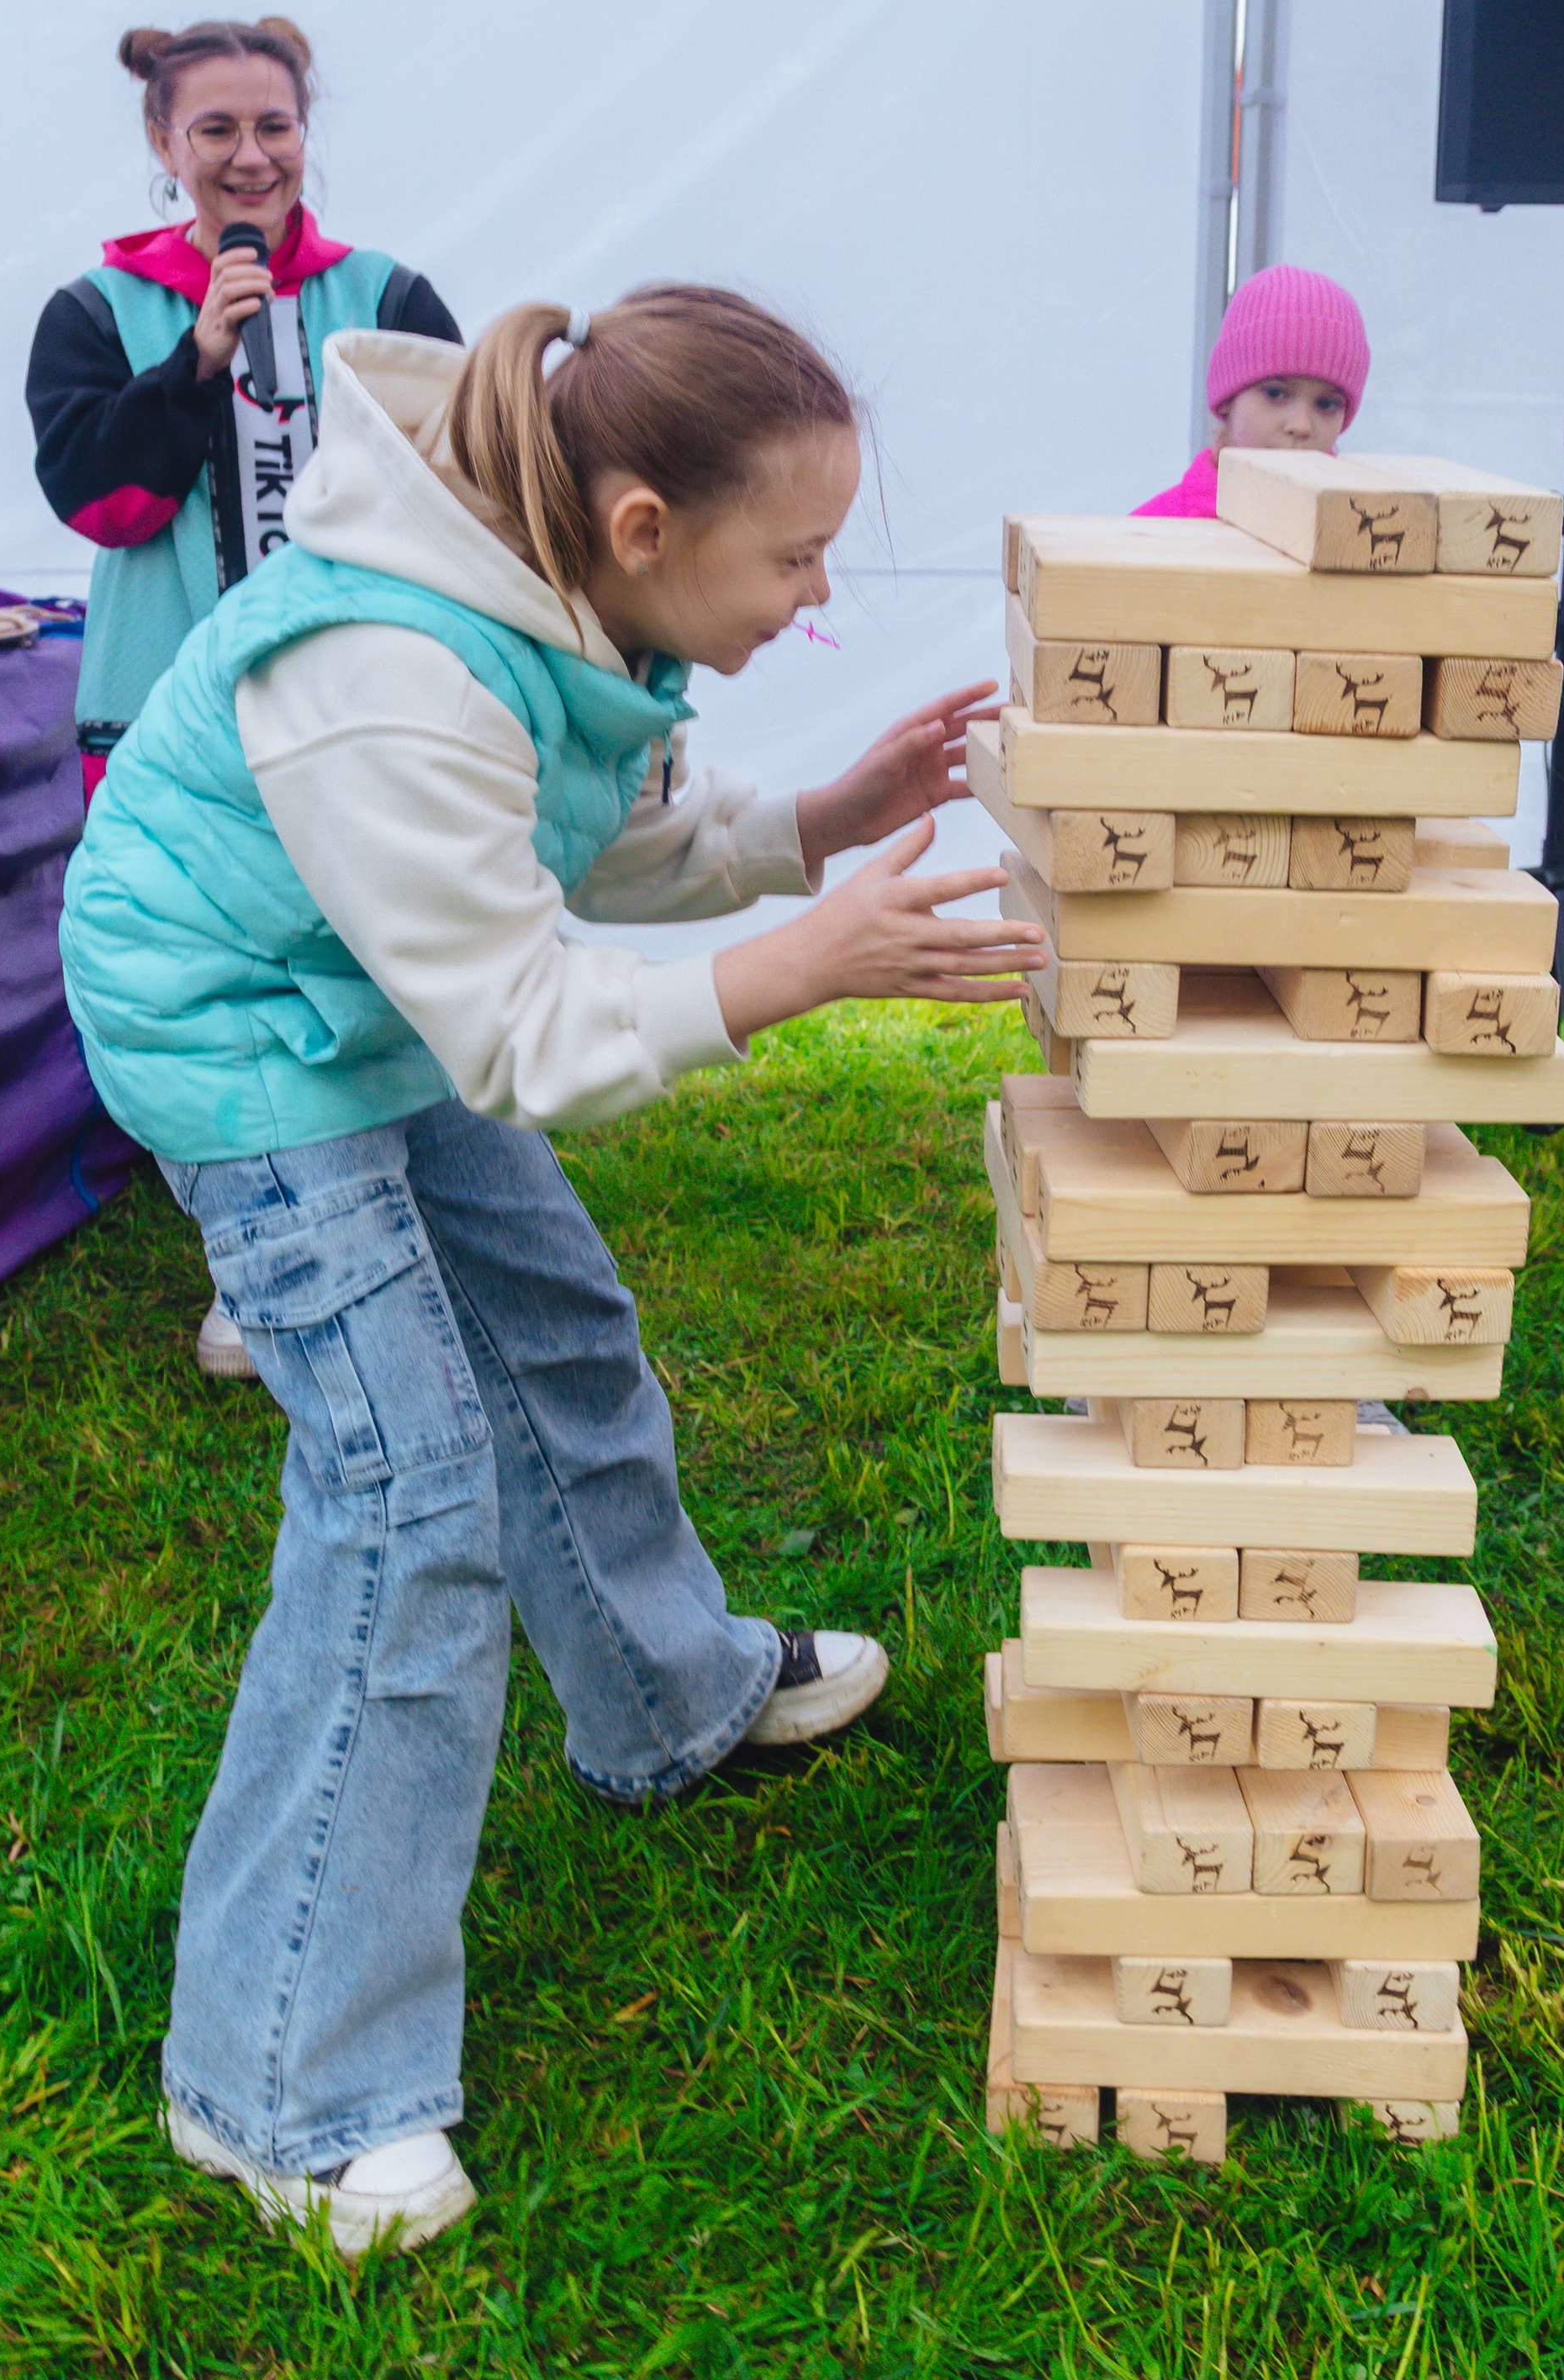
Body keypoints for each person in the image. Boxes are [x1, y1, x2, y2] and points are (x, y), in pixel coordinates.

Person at [57, 283, 1044, 2256]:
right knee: (404, 1488)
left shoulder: (547, 599)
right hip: (239, 1033)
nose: (817, 596)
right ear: (642, 529)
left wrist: (816, 823)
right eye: (796, 554)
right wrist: (797, 966)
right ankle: (280, 2085)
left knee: (556, 1327)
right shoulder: (393, 669)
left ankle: (665, 1696)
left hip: (373, 998)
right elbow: (527, 1028)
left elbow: (585, 848)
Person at [26, 17, 461, 1380]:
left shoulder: (385, 296)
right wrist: (198, 364)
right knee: (208, 984)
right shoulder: (97, 314)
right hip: (168, 726)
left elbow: (462, 492)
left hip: (355, 710)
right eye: (214, 129)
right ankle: (253, 1258)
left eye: (271, 126)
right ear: (166, 147)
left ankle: (393, 1203)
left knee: (368, 953)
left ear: (303, 135)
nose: (248, 155)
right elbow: (103, 497)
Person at [1135, 261, 1369, 516]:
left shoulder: (1374, 537)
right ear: (1228, 400)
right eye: (1275, 393)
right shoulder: (1148, 534)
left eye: (1327, 404)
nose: (1301, 426)